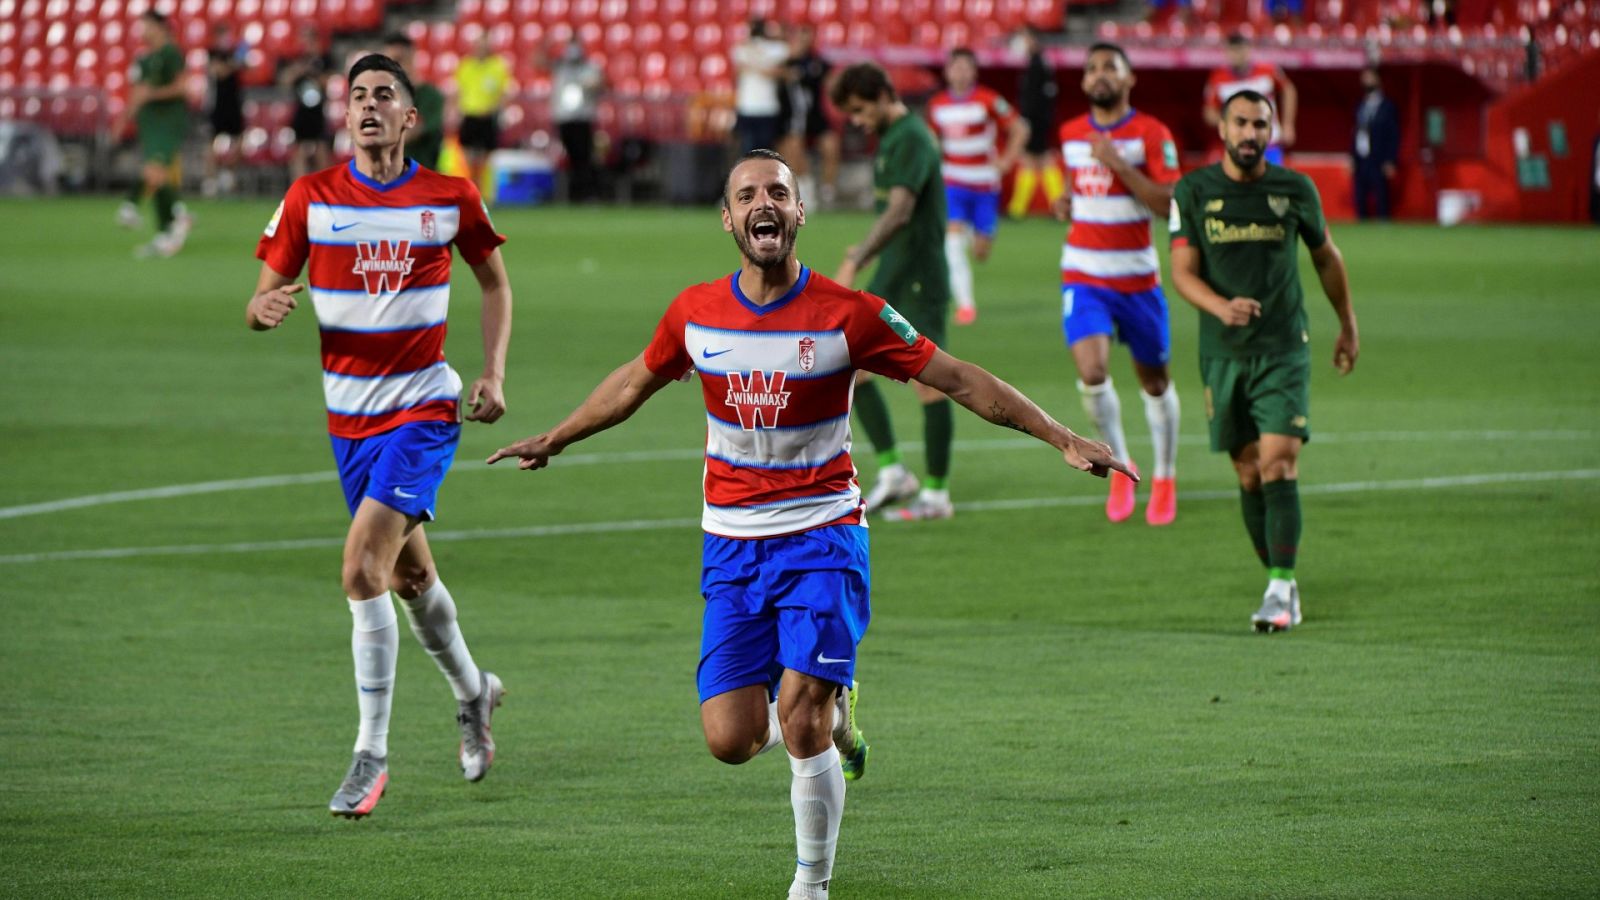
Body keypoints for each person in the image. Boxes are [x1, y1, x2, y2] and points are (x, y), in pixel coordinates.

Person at [486, 148, 1130, 900]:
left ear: (799, 213)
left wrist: (1062, 436)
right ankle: (831, 694)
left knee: (799, 722)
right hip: (731, 543)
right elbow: (634, 382)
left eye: (780, 193)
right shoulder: (695, 313)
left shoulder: (850, 316)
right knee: (731, 741)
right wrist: (556, 437)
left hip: (824, 535)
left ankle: (811, 882)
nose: (766, 204)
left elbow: (957, 377)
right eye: (749, 194)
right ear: (728, 218)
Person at [246, 53, 514, 817]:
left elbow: (494, 281)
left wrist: (492, 372)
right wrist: (260, 310)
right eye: (357, 96)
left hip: (424, 409)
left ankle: (370, 755)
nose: (368, 106)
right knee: (411, 580)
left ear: (410, 117)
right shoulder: (312, 198)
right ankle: (475, 693)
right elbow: (263, 292)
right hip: (349, 423)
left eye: (384, 95)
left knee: (363, 567)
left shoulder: (449, 196)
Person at [1167, 89, 1360, 632]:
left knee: (1278, 461)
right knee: (1249, 472)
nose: (1251, 134)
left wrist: (1347, 323)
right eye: (1241, 123)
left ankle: (1278, 584)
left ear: (1271, 132)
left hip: (1283, 347)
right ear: (1223, 129)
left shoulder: (1295, 189)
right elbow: (1182, 271)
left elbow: (1327, 258)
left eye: (1260, 125)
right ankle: (1282, 579)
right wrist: (1220, 306)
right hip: (1222, 354)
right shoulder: (1194, 190)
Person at [1054, 43, 1182, 526]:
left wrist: (1119, 164)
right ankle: (1123, 466)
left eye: (1111, 66)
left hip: (1137, 280)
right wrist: (1066, 201)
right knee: (1091, 372)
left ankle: (1166, 476)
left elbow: (1168, 203)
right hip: (1083, 275)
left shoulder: (1151, 133)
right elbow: (1076, 187)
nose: (1100, 74)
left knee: (1155, 382)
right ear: (1084, 83)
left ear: (1129, 80)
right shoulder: (1069, 134)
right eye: (1092, 68)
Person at [828, 62, 954, 520]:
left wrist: (858, 255)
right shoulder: (892, 141)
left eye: (860, 110)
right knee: (851, 368)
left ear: (883, 95)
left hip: (920, 280)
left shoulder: (912, 138)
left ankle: (938, 494)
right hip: (892, 279)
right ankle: (894, 472)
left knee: (930, 383)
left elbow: (900, 212)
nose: (857, 121)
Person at [925, 47, 1028, 325]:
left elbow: (1020, 128)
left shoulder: (988, 100)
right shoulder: (937, 105)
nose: (959, 72)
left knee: (980, 252)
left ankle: (974, 232)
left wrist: (1007, 160)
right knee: (953, 243)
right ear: (947, 71)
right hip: (953, 182)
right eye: (954, 67)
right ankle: (966, 305)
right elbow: (932, 143)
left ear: (973, 71)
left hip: (984, 185)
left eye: (965, 67)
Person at [113, 10, 192, 258]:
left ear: (160, 27)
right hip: (149, 124)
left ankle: (151, 216)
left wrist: (153, 95)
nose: (142, 31)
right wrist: (123, 119)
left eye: (146, 25)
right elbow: (137, 93)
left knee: (154, 172)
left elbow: (182, 87)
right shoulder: (144, 59)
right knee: (157, 176)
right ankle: (175, 219)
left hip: (167, 123)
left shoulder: (171, 54)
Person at [1203, 34, 1298, 166]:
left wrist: (1288, 124)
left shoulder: (1268, 70)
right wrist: (1231, 121)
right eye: (1232, 50)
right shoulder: (1218, 78)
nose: (1236, 55)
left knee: (1272, 183)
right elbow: (1209, 113)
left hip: (1269, 143)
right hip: (1238, 147)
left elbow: (1288, 90)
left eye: (1240, 50)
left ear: (1248, 50)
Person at [778, 24, 841, 208]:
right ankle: (805, 191)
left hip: (815, 115)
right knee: (794, 152)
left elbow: (832, 82)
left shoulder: (818, 62)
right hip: (793, 115)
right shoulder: (785, 61)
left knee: (831, 146)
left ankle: (827, 191)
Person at [1006, 26, 1063, 220]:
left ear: (1033, 40)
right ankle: (1024, 209)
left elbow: (1038, 99)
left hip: (1036, 122)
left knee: (1036, 160)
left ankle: (1057, 206)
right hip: (1039, 121)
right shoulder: (1037, 63)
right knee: (1036, 162)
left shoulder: (1038, 64)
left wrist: (1028, 122)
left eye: (1024, 37)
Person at [550, 38, 605, 203]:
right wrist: (547, 43)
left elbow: (600, 84)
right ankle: (573, 193)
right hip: (564, 119)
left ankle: (587, 192)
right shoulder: (561, 67)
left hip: (582, 119)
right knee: (571, 158)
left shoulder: (590, 68)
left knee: (584, 157)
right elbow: (539, 62)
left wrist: (591, 84)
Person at [382, 32, 445, 171]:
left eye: (398, 61)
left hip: (422, 178)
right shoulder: (381, 97)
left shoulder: (431, 96)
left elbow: (412, 133)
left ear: (411, 58)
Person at [456, 33, 511, 189]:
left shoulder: (498, 66)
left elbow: (504, 92)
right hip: (470, 115)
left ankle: (483, 190)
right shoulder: (465, 66)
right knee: (468, 159)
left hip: (488, 116)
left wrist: (500, 111)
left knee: (485, 161)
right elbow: (459, 91)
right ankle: (472, 188)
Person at [730, 18, 790, 155]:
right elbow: (790, 53)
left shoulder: (741, 50)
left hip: (748, 106)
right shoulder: (776, 49)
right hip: (767, 106)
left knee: (748, 153)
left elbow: (737, 72)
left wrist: (753, 66)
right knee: (767, 152)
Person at [282, 26, 332, 180]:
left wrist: (313, 72)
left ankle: (324, 186)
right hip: (301, 110)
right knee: (299, 151)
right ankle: (299, 185)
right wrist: (300, 70)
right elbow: (285, 81)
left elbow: (327, 82)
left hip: (318, 110)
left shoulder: (324, 60)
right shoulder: (297, 60)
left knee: (321, 150)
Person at [1351, 65, 1400, 221]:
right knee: (1360, 198)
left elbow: (1393, 135)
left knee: (1381, 198)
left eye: (1369, 77)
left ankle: (1384, 232)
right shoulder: (1360, 106)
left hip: (1379, 159)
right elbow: (1355, 133)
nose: (1366, 81)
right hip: (1361, 159)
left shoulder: (1387, 107)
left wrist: (1390, 160)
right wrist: (1352, 156)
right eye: (1364, 77)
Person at [203, 23, 246, 197]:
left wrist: (234, 64)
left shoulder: (234, 52)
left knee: (239, 142)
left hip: (234, 103)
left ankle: (228, 174)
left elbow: (244, 66)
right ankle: (210, 180)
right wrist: (232, 65)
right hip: (218, 104)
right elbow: (218, 71)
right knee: (212, 143)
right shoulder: (213, 53)